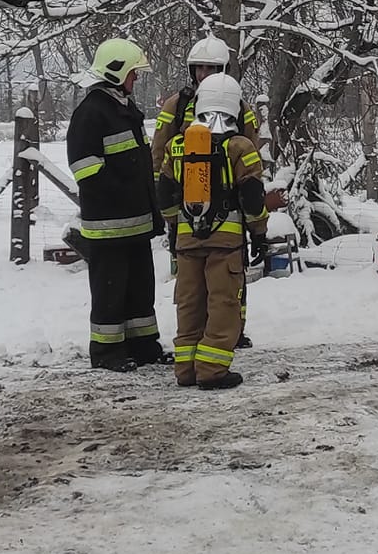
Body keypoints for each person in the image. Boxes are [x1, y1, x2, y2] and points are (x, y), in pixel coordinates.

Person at [152, 33, 261, 347]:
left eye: (210, 69)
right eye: (198, 69)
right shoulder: (179, 104)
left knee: (229, 276)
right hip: (188, 206)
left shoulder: (240, 106)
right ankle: (207, 338)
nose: (203, 75)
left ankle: (232, 331)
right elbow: (160, 153)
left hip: (229, 202)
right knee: (194, 283)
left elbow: (251, 147)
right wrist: (167, 206)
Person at [68, 37, 165, 370]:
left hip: (134, 222)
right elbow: (86, 169)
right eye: (132, 73)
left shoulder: (123, 109)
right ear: (115, 71)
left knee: (140, 288)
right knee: (110, 292)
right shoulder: (91, 113)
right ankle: (107, 353)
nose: (135, 79)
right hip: (109, 226)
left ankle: (143, 346)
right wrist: (124, 195)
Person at [167, 72, 269, 390]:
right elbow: (252, 198)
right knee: (223, 303)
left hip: (186, 240)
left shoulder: (178, 146)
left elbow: (165, 195)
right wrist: (260, 233)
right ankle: (212, 369)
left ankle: (185, 368)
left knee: (189, 302)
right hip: (225, 243)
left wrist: (175, 230)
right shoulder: (241, 147)